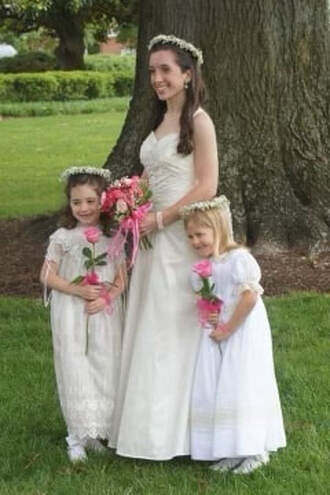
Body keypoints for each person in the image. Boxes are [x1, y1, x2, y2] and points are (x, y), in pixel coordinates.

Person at [109, 34, 218, 460]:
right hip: (151, 237)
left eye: (166, 70)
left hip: (178, 237)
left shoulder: (200, 122)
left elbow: (206, 184)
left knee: (174, 330)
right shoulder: (158, 124)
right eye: (152, 71)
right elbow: (152, 176)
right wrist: (130, 205)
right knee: (150, 329)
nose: (157, 79)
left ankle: (186, 434)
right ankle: (147, 431)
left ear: (188, 75)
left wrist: (160, 218)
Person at [182, 196, 286, 474]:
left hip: (244, 330)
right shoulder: (204, 267)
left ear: (219, 229)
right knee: (223, 386)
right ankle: (232, 447)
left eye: (200, 234)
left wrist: (228, 326)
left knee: (243, 382)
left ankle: (256, 449)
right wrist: (212, 313)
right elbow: (210, 299)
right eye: (190, 236)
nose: (195, 241)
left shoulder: (239, 259)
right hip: (222, 330)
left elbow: (249, 298)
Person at [40, 166, 125, 463]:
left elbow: (121, 280)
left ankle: (96, 432)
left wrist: (106, 298)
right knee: (75, 364)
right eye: (77, 202)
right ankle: (76, 435)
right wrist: (77, 291)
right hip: (71, 312)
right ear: (69, 203)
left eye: (90, 200)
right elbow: (47, 276)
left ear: (103, 200)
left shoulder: (113, 237)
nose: (84, 208)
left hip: (103, 315)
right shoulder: (63, 237)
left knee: (103, 365)